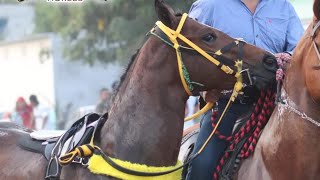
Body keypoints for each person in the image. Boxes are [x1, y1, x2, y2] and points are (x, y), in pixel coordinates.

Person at [185, 0, 304, 179]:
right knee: (203, 165)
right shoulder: (209, 6)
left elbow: (300, 50)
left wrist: (288, 58)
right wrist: (204, 91)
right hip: (227, 104)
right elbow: (186, 52)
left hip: (278, 104)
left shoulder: (283, 7)